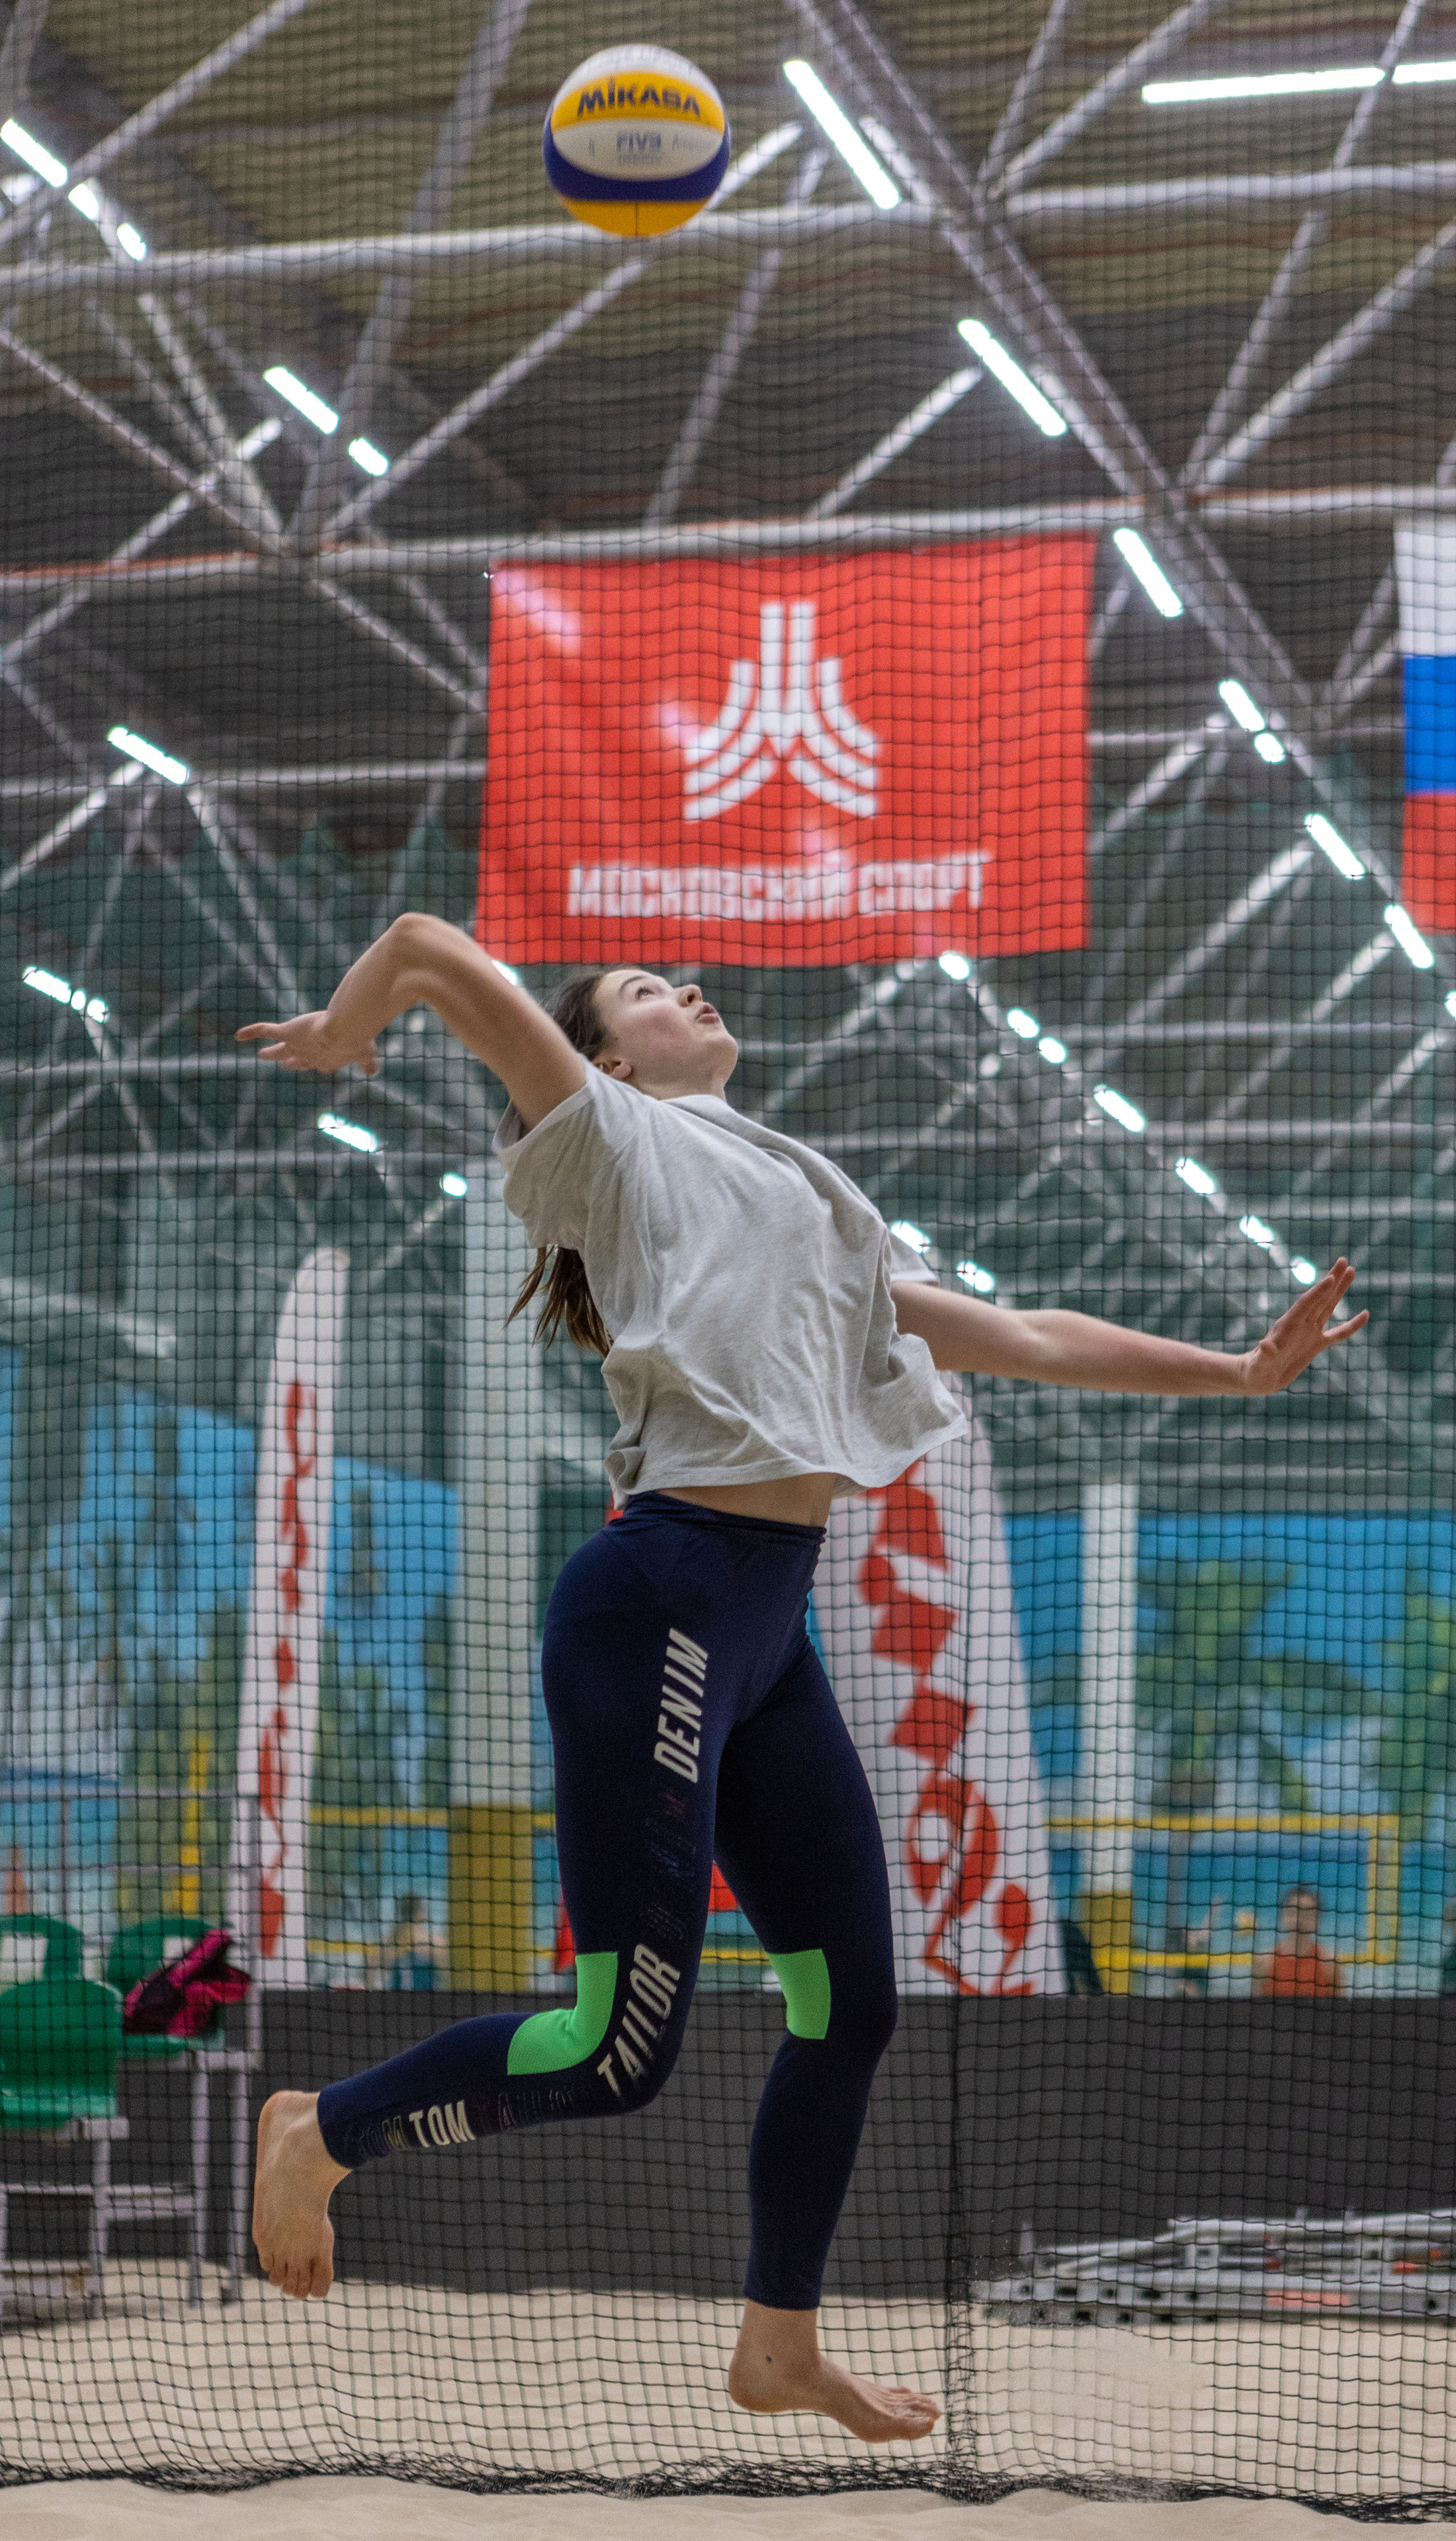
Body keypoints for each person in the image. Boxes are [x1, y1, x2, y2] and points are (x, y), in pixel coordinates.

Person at [237, 918, 1367, 2443]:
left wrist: (1234, 1371)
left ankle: (778, 2339)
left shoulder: (802, 1201)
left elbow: (1021, 1333)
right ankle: (322, 2129)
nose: (683, 985)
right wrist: (344, 1024)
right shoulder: (608, 1133)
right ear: (607, 1055)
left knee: (847, 2004)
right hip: (660, 1601)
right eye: (642, 989)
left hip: (769, 1628)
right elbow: (431, 948)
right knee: (612, 2051)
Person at [1252, 1884, 1344, 1998]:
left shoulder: (1330, 1963)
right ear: (1283, 1915)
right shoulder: (1264, 1961)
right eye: (1293, 1912)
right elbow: (1256, 2011)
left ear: (1318, 1919)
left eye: (1307, 1913)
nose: (1299, 1919)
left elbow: (1340, 2011)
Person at [379, 1891, 444, 1992]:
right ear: (420, 1913)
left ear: (401, 1913)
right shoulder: (434, 1943)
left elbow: (369, 1976)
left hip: (396, 2003)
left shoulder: (386, 1945)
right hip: (427, 2004)